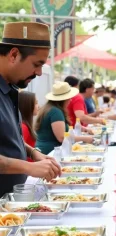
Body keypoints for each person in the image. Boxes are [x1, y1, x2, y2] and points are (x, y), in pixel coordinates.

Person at [0, 21, 61, 196]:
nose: (40, 72)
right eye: (37, 64)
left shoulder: (9, 88)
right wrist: (28, 167)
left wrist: (34, 153)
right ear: (13, 55)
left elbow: (10, 138)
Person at [35, 82, 94, 154]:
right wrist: (85, 139)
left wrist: (82, 128)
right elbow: (62, 137)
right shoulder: (56, 112)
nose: (70, 100)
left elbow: (62, 128)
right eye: (69, 98)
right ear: (63, 99)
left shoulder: (51, 108)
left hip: (47, 150)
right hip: (50, 152)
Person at [19, 91, 39, 161]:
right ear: (27, 105)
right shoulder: (24, 127)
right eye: (36, 103)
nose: (38, 106)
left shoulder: (26, 125)